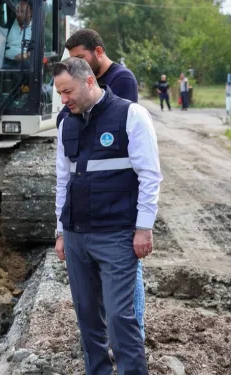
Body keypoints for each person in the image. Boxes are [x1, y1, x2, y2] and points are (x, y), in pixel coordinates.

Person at [53, 57, 162, 375]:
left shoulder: (131, 115)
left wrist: (144, 227)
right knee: (87, 318)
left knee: (119, 317)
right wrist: (60, 231)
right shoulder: (65, 124)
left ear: (89, 82)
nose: (64, 100)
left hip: (116, 235)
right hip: (76, 237)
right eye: (59, 93)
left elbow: (150, 176)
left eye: (67, 91)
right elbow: (63, 181)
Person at [56, 28, 147, 343]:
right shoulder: (76, 93)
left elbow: (115, 131)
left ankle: (133, 333)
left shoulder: (122, 81)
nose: (75, 66)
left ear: (97, 51)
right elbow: (63, 120)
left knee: (125, 281)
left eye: (80, 58)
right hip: (85, 213)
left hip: (117, 203)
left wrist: (143, 225)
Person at [0, 0, 33, 68]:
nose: (19, 15)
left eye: (22, 11)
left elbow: (37, 49)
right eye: (17, 12)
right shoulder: (11, 22)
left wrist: (25, 55)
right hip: (6, 60)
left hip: (23, 63)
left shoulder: (35, 27)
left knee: (27, 66)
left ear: (30, 12)